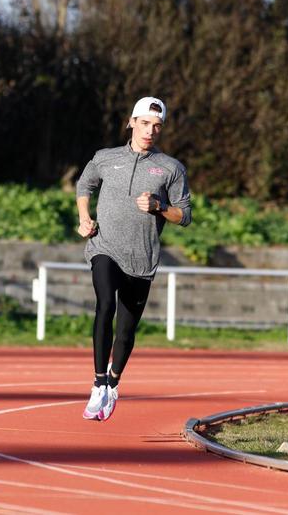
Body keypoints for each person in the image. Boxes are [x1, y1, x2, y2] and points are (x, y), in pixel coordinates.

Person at [76, 96, 191, 421]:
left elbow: (185, 215)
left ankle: (113, 382)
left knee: (126, 331)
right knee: (105, 305)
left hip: (142, 259)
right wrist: (85, 217)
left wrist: (160, 208)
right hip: (104, 247)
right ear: (131, 122)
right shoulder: (105, 158)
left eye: (157, 126)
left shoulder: (171, 168)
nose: (150, 130)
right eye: (145, 123)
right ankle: (98, 383)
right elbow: (84, 184)